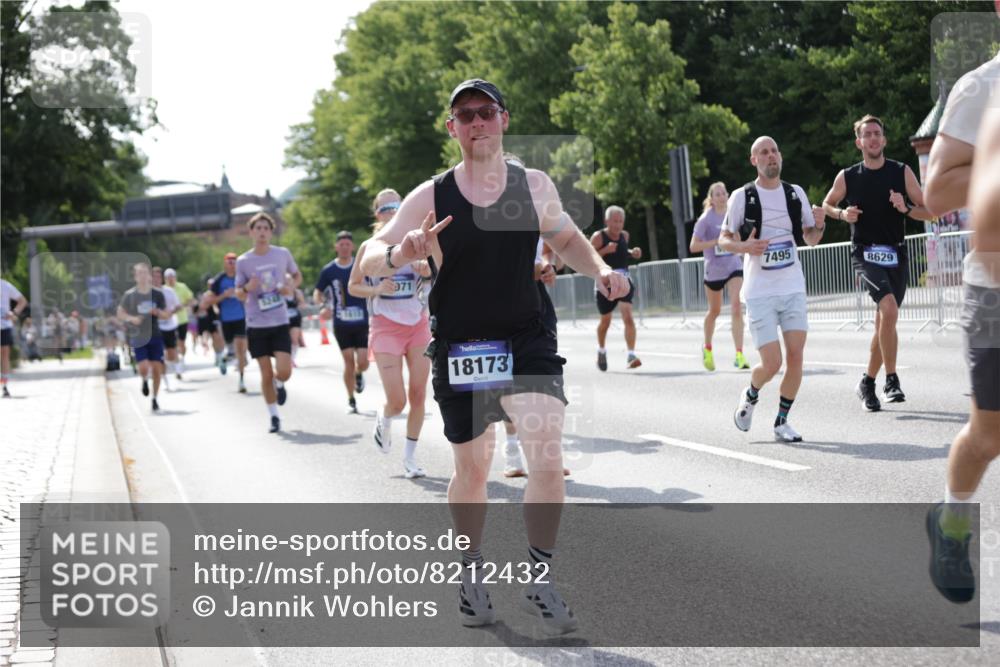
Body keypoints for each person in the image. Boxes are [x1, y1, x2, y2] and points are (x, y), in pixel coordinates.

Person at [359, 78, 629, 634]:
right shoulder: (433, 194)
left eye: (486, 111)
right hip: (461, 343)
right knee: (473, 468)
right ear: (451, 127)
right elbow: (368, 257)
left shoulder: (531, 184)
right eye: (466, 115)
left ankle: (540, 579)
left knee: (547, 456)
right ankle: (471, 573)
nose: (477, 121)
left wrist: (601, 271)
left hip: (527, 334)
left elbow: (567, 236)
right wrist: (397, 252)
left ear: (504, 119)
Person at [924, 60, 1000, 605]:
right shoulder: (982, 87)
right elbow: (938, 191)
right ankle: (951, 523)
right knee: (989, 435)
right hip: (995, 287)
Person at [822, 115, 934, 411]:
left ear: (884, 140)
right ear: (859, 142)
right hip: (865, 253)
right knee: (889, 309)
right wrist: (842, 215)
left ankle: (866, 383)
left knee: (885, 321)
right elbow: (826, 204)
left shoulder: (902, 172)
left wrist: (906, 208)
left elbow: (929, 211)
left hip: (896, 253)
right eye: (867, 134)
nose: (873, 138)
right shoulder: (848, 176)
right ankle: (891, 380)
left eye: (877, 134)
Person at [719, 136, 826, 443]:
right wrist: (745, 246)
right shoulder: (743, 196)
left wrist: (819, 224)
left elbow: (811, 238)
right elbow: (723, 239)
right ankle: (751, 394)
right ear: (754, 160)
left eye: (775, 151)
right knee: (772, 363)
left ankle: (781, 422)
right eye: (763, 153)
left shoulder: (795, 193)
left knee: (795, 357)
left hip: (792, 287)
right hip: (759, 293)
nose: (771, 156)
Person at [349, 188, 433, 478]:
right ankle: (384, 419)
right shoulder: (370, 246)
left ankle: (410, 458)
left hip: (418, 323)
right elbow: (353, 286)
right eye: (386, 207)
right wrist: (376, 288)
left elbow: (435, 270)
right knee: (397, 400)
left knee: (419, 393)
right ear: (377, 213)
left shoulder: (415, 240)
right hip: (385, 326)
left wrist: (426, 269)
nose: (392, 211)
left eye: (397, 205)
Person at [234, 213, 301, 433]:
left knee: (284, 370)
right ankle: (274, 416)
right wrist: (247, 288)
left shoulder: (282, 254)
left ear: (271, 232)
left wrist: (289, 286)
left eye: (266, 228)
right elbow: (239, 294)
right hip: (256, 323)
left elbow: (296, 275)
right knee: (265, 373)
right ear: (251, 232)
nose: (262, 232)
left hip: (280, 320)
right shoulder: (243, 261)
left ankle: (280, 383)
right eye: (258, 228)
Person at [690, 182, 749, 371]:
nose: (722, 196)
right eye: (718, 194)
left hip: (733, 266)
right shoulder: (705, 219)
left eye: (724, 193)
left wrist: (739, 244)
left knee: (736, 307)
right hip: (714, 270)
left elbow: (739, 238)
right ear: (712, 199)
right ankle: (707, 347)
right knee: (714, 311)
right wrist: (716, 241)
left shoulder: (732, 215)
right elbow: (693, 246)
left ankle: (739, 354)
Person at [315, 231, 370, 414]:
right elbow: (318, 292)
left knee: (362, 362)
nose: (345, 247)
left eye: (348, 244)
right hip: (341, 323)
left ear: (352, 247)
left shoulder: (361, 265)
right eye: (341, 244)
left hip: (362, 320)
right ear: (336, 247)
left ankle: (359, 374)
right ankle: (351, 399)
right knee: (348, 361)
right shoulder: (329, 270)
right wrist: (324, 306)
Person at [591, 205, 643, 371]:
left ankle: (631, 354)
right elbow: (588, 257)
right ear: (607, 221)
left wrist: (632, 253)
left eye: (621, 221)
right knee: (606, 321)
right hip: (605, 283)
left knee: (627, 315)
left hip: (624, 280)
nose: (618, 225)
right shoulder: (598, 237)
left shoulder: (624, 236)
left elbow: (621, 251)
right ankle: (601, 350)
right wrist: (605, 250)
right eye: (615, 221)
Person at [117, 262, 171, 411]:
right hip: (138, 335)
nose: (142, 276)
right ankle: (144, 379)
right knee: (143, 367)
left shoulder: (157, 294)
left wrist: (158, 313)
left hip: (155, 335)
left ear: (149, 275)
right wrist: (131, 319)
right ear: (135, 276)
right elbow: (120, 313)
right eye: (139, 273)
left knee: (157, 369)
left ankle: (154, 398)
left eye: (145, 273)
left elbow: (167, 314)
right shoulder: (130, 295)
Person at [208, 253, 248, 392]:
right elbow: (210, 301)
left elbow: (249, 294)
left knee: (241, 350)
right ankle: (224, 358)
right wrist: (224, 295)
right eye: (229, 261)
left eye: (234, 261)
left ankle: (241, 381)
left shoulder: (242, 277)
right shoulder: (219, 280)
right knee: (231, 348)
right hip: (226, 318)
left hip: (241, 317)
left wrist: (241, 295)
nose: (231, 264)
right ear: (225, 263)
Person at [152, 266, 181, 389]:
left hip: (170, 325)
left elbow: (178, 306)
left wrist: (170, 313)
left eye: (158, 277)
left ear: (162, 278)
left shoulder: (169, 291)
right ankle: (164, 379)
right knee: (160, 355)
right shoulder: (148, 293)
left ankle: (174, 367)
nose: (156, 279)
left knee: (172, 354)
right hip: (156, 327)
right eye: (154, 277)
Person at [164, 268, 196, 377]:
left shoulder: (182, 287)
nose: (170, 279)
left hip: (182, 319)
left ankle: (181, 359)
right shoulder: (163, 289)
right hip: (169, 321)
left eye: (172, 277)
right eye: (168, 277)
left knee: (181, 343)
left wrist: (184, 305)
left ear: (175, 277)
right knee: (174, 343)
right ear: (165, 279)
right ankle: (177, 364)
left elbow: (191, 299)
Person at [1, 277, 28, 397]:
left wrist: (14, 313)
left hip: (4, 326)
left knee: (4, 355)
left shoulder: (5, 285)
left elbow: (22, 300)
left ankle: (5, 386)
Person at [284, 275, 306, 366]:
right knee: (285, 340)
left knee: (294, 340)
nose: (288, 282)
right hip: (283, 320)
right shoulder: (280, 292)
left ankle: (291, 359)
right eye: (286, 280)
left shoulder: (297, 293)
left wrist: (299, 304)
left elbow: (303, 304)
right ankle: (286, 358)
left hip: (295, 318)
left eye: (289, 280)